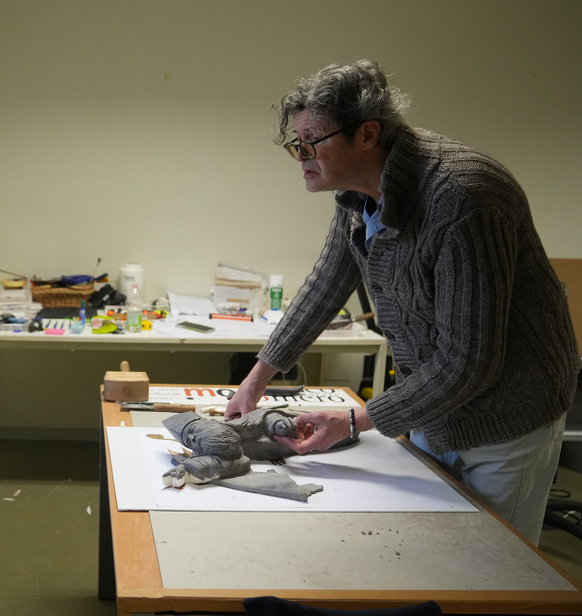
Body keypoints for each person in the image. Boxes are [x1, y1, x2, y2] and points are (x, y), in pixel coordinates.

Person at [225, 60, 579, 544]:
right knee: (433, 550)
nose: (300, 156)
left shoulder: (463, 198)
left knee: (495, 569)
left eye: (311, 144)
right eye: (295, 144)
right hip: (434, 403)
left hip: (507, 415)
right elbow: (329, 281)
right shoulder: (358, 191)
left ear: (367, 134)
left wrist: (353, 421)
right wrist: (256, 379)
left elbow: (469, 360)